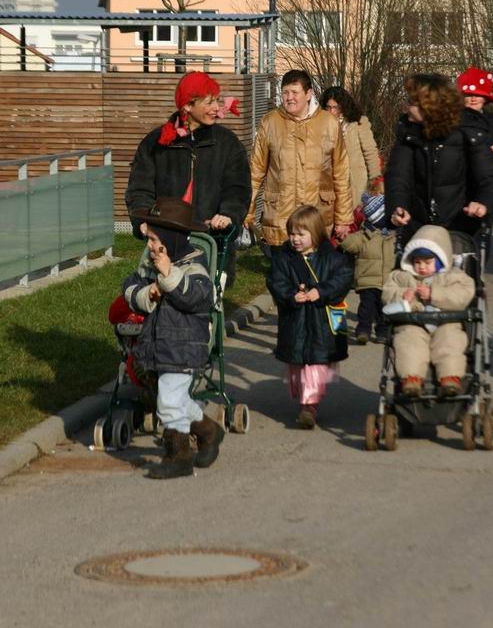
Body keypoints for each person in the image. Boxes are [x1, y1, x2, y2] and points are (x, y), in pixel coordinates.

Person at [123, 196, 224, 479]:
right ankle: (208, 430)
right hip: (159, 344)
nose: (150, 246)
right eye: (149, 240)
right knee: (175, 399)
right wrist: (147, 293)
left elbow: (196, 297)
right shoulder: (151, 264)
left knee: (168, 401)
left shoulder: (194, 268)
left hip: (184, 346)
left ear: (170, 240)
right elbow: (129, 287)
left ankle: (178, 456)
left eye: (155, 240)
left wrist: (169, 275)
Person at [125, 70, 252, 238]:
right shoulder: (154, 142)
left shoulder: (228, 143)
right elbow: (139, 189)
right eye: (209, 102)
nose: (216, 107)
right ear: (187, 106)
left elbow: (238, 189)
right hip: (165, 240)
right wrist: (142, 220)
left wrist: (229, 215)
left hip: (212, 239)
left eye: (217, 100)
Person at [385, 73, 493, 239]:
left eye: (410, 102)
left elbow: (490, 179)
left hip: (461, 228)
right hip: (417, 228)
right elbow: (398, 178)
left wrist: (483, 204)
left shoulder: (469, 132)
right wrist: (398, 208)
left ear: (428, 106)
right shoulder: (408, 133)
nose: (405, 107)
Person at [266, 205, 353, 428]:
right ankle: (305, 399)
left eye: (301, 234)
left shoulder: (332, 257)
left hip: (321, 324)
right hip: (295, 322)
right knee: (297, 366)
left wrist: (321, 291)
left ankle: (309, 406)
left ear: (315, 233)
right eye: (292, 234)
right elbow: (275, 281)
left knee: (316, 366)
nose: (295, 239)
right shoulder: (284, 258)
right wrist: (290, 295)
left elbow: (343, 278)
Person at [245, 69, 353, 248]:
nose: (289, 98)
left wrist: (343, 218)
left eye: (295, 92)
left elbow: (341, 173)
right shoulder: (270, 122)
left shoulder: (329, 123)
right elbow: (255, 173)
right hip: (280, 215)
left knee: (315, 264)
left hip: (317, 215)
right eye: (285, 92)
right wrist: (247, 212)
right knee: (281, 265)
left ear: (308, 94)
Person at [382, 224, 475, 397]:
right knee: (408, 342)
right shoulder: (401, 276)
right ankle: (411, 378)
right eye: (417, 262)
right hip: (413, 322)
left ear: (439, 260)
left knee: (450, 341)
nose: (422, 267)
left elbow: (463, 295)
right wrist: (402, 296)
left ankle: (450, 377)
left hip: (446, 320)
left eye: (427, 262)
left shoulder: (453, 276)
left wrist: (435, 294)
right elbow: (387, 292)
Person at [340, 180, 396, 345]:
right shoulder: (364, 235)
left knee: (384, 311)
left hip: (387, 281)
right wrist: (343, 238)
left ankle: (382, 332)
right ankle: (363, 330)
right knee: (366, 309)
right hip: (368, 281)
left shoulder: (394, 236)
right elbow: (351, 244)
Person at [320, 85, 381, 207]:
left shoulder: (358, 122)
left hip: (356, 183)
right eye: (328, 107)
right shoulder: (321, 125)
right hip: (331, 184)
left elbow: (370, 151)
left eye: (335, 107)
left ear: (343, 107)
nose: (331, 111)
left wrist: (375, 179)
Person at [458, 66, 493, 168]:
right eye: (469, 95)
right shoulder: (452, 120)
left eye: (478, 95)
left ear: (485, 98)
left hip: (489, 171)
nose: (473, 99)